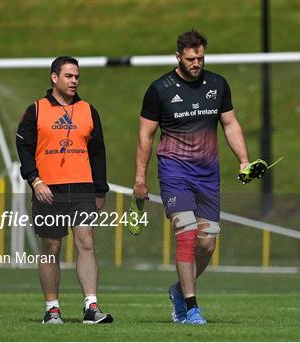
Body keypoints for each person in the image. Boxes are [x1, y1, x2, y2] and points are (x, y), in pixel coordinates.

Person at [133, 30, 251, 325]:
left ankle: (178, 290)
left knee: (207, 244)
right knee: (185, 233)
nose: (196, 63)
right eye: (190, 58)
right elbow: (146, 136)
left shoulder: (217, 84)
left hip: (207, 175)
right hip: (174, 171)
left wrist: (244, 161)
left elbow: (230, 124)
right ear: (178, 57)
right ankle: (191, 307)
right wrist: (140, 179)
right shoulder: (159, 89)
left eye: (200, 57)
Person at [16, 56, 113, 325]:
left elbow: (98, 152)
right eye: (69, 76)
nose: (74, 81)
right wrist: (35, 180)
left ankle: (91, 308)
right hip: (48, 189)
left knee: (86, 243)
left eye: (77, 77)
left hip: (82, 187)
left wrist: (100, 189)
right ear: (54, 77)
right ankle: (52, 309)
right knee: (51, 247)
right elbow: (23, 147)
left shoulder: (88, 110)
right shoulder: (35, 110)